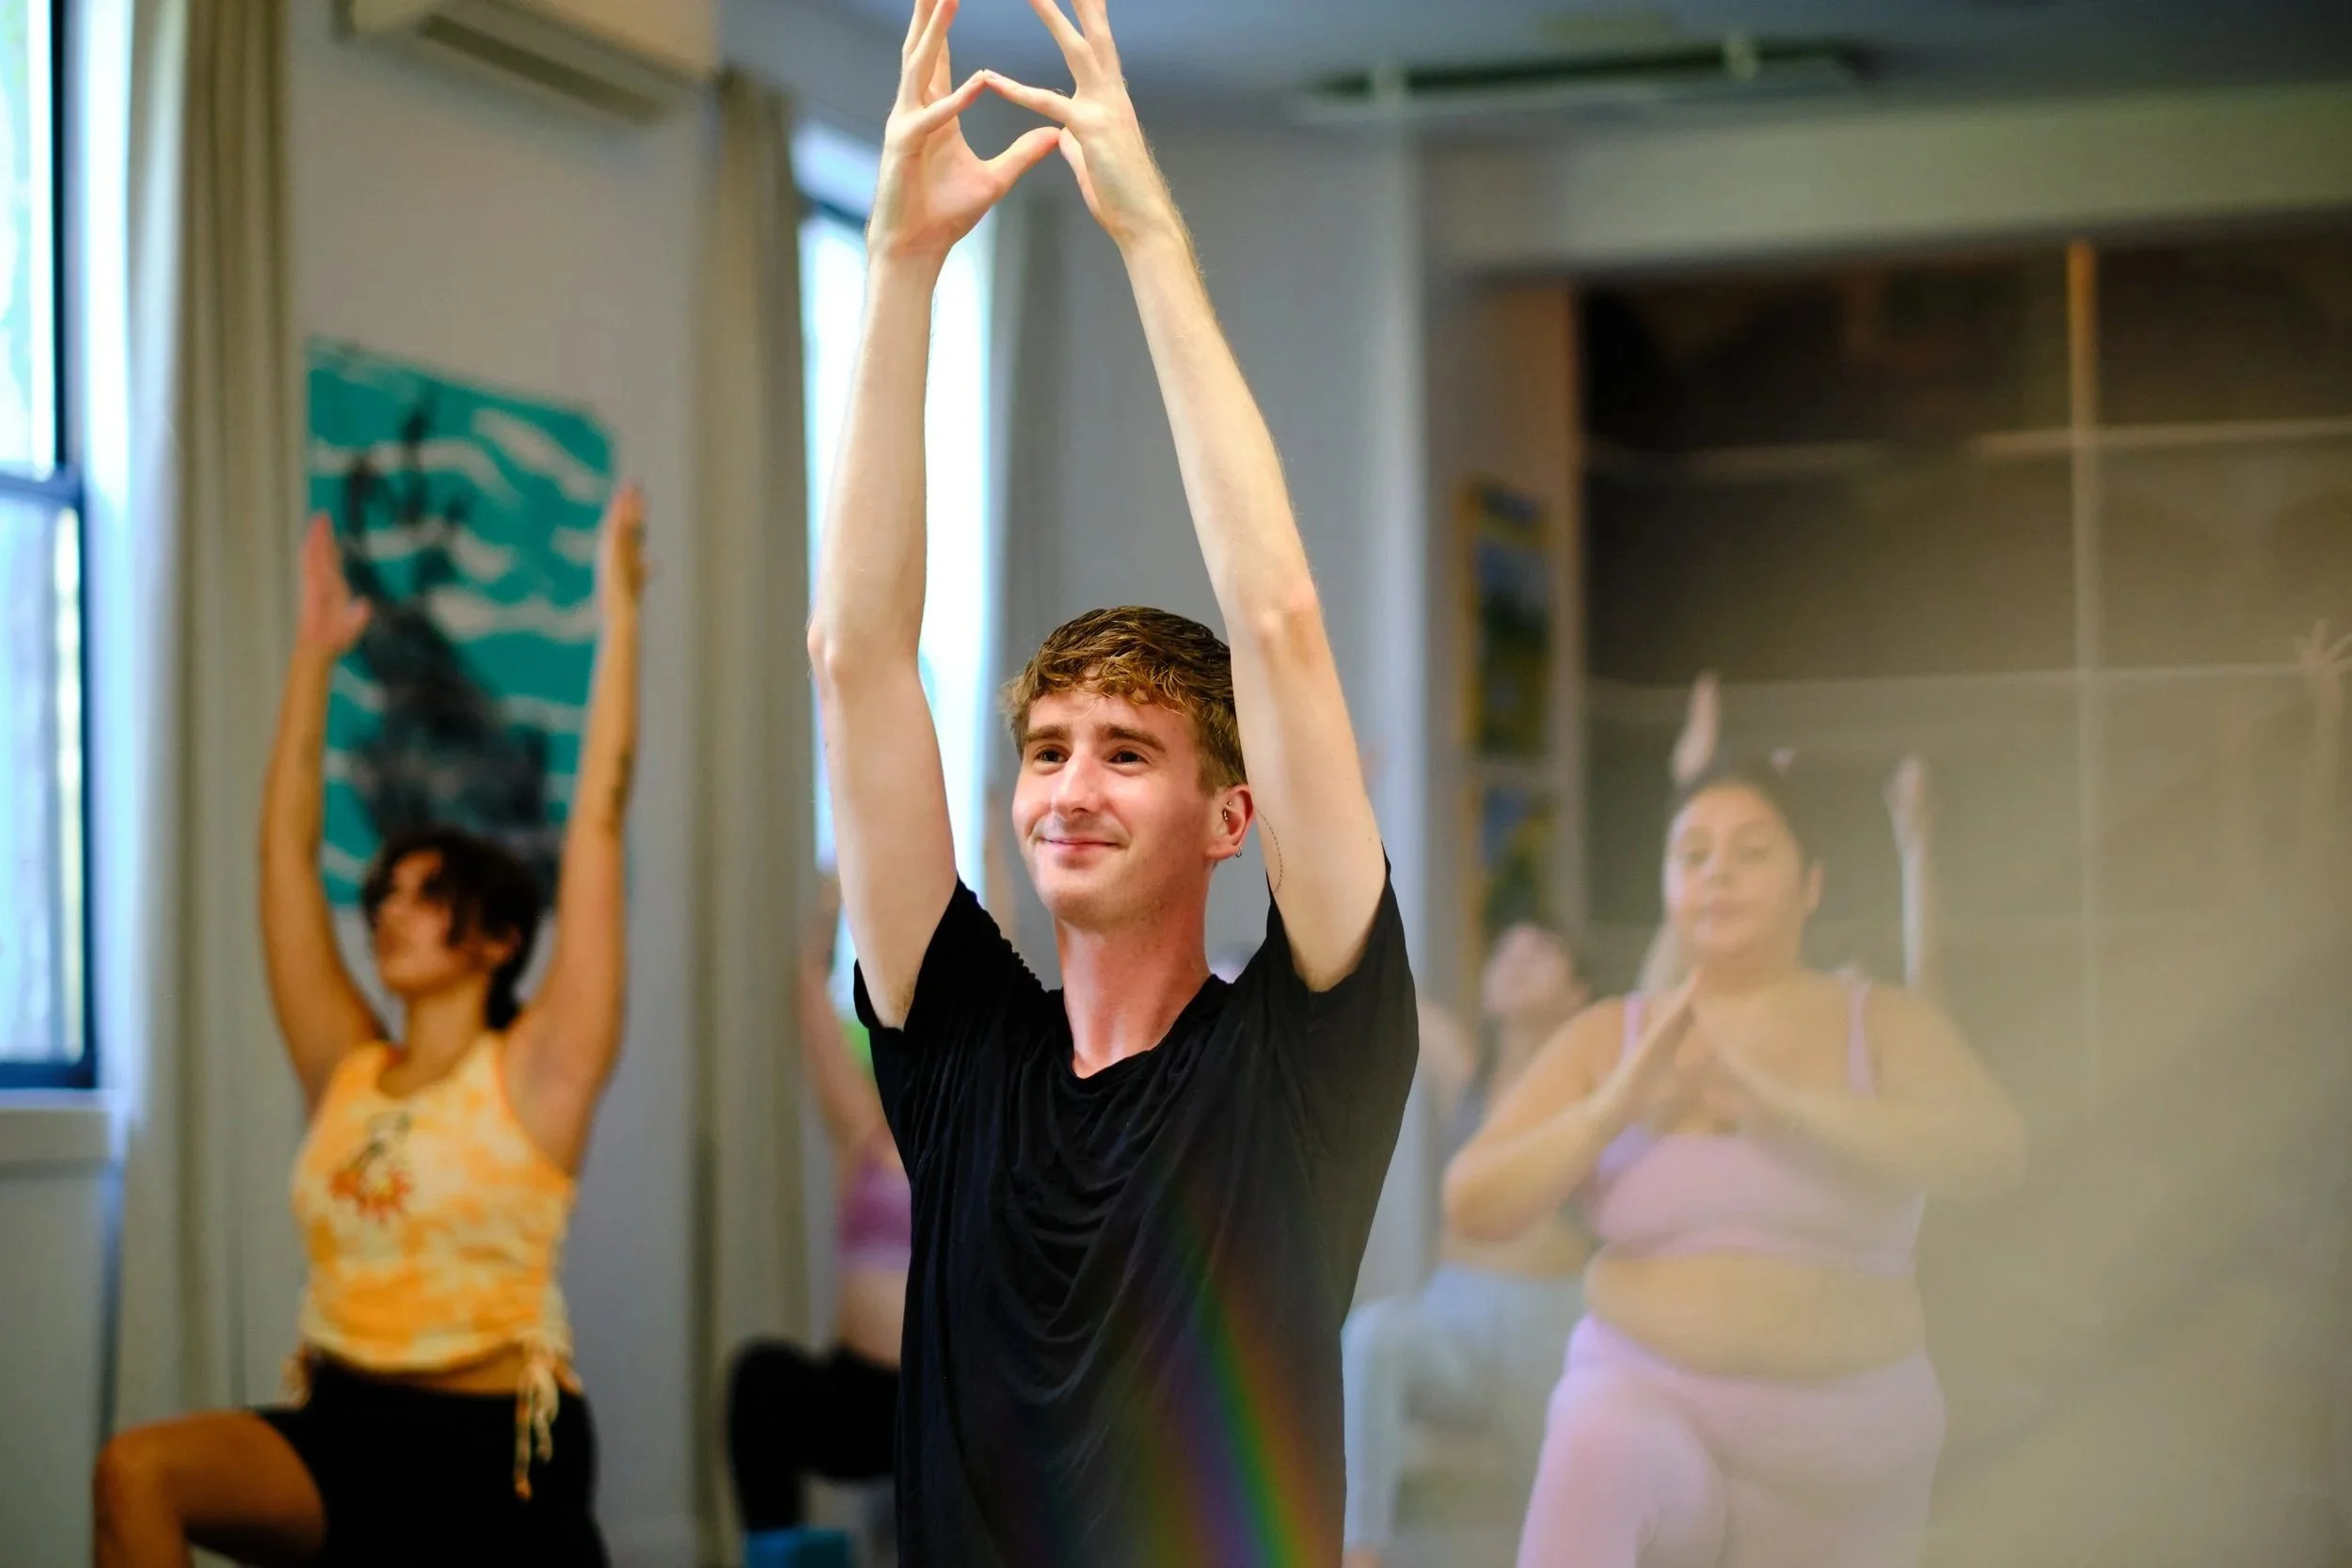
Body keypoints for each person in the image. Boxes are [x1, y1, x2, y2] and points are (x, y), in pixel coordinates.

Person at [803, 0, 1420, 1560]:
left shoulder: (1301, 1064)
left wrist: (1151, 244)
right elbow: (857, 657)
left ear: (1233, 816)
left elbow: (1276, 622)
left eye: (1127, 751)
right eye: (1047, 749)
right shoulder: (958, 1059)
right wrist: (896, 270)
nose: (1067, 786)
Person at [92, 487, 648, 1566]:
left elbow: (599, 815)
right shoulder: (344, 1062)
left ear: (494, 937)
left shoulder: (540, 1067)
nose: (388, 905)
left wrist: (620, 617)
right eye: (385, 889)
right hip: (342, 1423)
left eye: (425, 891)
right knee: (135, 1469)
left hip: (494, 1453)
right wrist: (312, 660)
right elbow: (281, 863)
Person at [1446, 759, 2025, 1568]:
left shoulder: (1883, 1022)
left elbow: (1992, 1153)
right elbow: (1474, 1201)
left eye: (1752, 851)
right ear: (1668, 886)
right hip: (1643, 1392)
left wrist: (1794, 1107)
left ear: (1810, 885)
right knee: (1596, 1438)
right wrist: (1609, 1105)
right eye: (1693, 854)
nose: (1718, 871)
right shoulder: (1612, 1034)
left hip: (1841, 1446)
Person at [1341, 924, 1591, 1568]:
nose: (1515, 958)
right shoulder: (1468, 1073)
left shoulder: (1599, 1086)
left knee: (1551, 1521)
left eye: (1538, 952)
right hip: (1452, 1320)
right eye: (1505, 950)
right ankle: (1358, 1549)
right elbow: (1387, 981)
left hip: (1552, 1323)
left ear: (1577, 994)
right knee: (1372, 1334)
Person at [724, 877, 911, 1535]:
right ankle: (776, 1555)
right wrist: (832, 905)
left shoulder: (976, 1132)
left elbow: (994, 1005)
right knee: (761, 1376)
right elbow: (809, 1004)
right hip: (857, 1390)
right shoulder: (862, 1132)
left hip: (947, 1396)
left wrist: (991, 866)